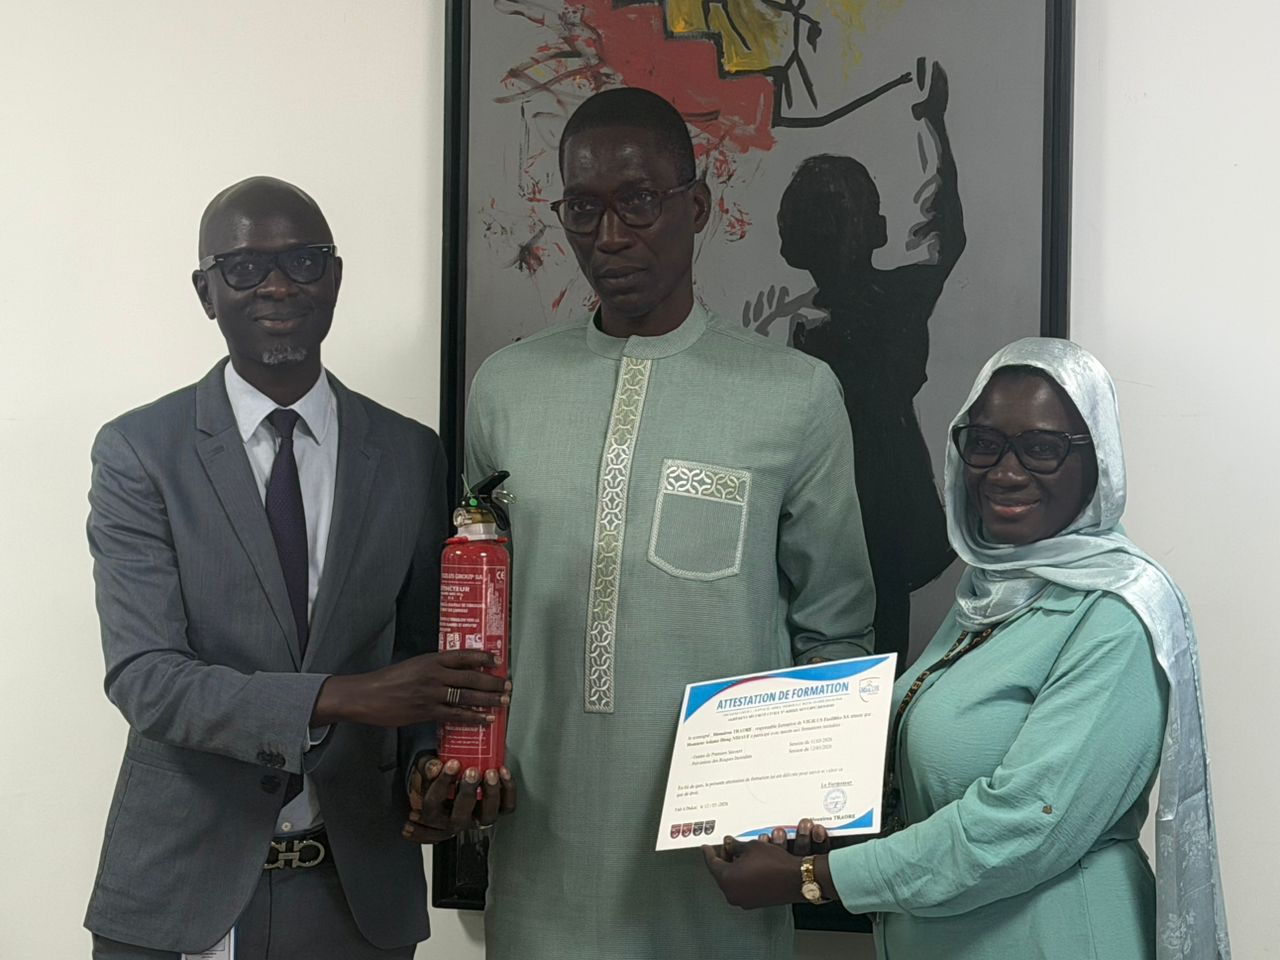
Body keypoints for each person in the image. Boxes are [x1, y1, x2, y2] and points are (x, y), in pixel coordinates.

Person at [460, 87, 876, 959]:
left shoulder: (793, 396)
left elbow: (835, 630)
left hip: (716, 875)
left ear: (696, 207)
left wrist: (798, 827)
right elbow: (477, 613)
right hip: (540, 857)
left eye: (639, 203)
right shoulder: (506, 389)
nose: (609, 237)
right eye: (583, 209)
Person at [85, 176, 514, 960]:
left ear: (336, 277)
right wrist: (344, 698)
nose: (278, 284)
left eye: (305, 261)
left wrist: (428, 765)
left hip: (355, 895)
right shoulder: (140, 452)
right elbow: (145, 678)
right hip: (183, 887)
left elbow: (423, 661)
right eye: (245, 268)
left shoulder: (411, 454)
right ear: (205, 290)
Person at [704, 337, 1231, 960]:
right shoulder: (991, 589)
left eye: (1041, 448)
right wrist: (826, 839)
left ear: (1099, 460)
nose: (1005, 472)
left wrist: (813, 879)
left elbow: (1024, 826)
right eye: (983, 443)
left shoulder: (1118, 613)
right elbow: (940, 786)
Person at [781, 61, 965, 663]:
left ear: (791, 244)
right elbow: (949, 233)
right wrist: (934, 124)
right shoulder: (897, 298)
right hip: (881, 498)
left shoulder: (806, 331)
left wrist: (934, 121)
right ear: (880, 229)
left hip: (849, 504)